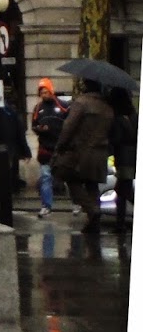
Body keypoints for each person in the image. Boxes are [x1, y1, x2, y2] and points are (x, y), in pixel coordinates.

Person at [50, 78, 114, 232]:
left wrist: (60, 146)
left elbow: (68, 126)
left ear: (87, 85)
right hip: (100, 153)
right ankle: (93, 223)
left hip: (81, 152)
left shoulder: (81, 103)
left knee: (72, 181)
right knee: (92, 185)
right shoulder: (107, 107)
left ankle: (93, 211)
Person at [31, 78, 69, 218]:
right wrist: (40, 129)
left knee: (68, 176)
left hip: (61, 148)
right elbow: (33, 126)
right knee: (46, 177)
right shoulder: (38, 109)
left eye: (46, 92)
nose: (44, 95)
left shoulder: (63, 105)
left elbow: (69, 122)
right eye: (42, 92)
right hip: (45, 149)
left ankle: (77, 203)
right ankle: (46, 205)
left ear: (51, 91)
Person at [109, 87, 137, 231]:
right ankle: (120, 223)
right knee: (122, 190)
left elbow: (117, 139)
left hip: (124, 158)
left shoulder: (118, 117)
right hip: (132, 156)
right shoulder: (133, 115)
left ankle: (120, 224)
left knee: (123, 191)